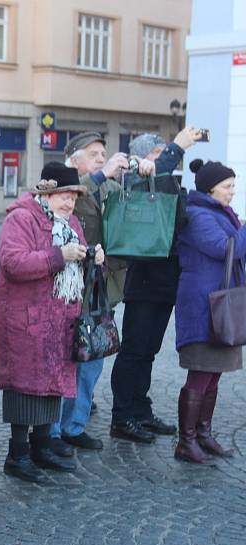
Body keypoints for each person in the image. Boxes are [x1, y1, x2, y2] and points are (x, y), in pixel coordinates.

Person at [0, 162, 105, 483]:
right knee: (24, 388)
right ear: (46, 193)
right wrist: (60, 255)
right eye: (63, 195)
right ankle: (17, 455)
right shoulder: (21, 217)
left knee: (51, 384)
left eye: (73, 196)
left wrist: (94, 257)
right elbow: (12, 263)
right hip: (25, 319)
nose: (69, 202)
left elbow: (78, 260)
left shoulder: (69, 223)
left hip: (60, 319)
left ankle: (41, 446)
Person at [54, 132, 153, 453]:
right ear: (74, 159)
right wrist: (102, 172)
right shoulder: (65, 183)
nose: (101, 158)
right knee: (62, 363)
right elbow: (77, 191)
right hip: (65, 289)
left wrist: (142, 171)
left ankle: (75, 426)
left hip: (100, 289)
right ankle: (51, 432)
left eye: (103, 153)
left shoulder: (111, 187)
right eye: (93, 153)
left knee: (91, 359)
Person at [109, 128, 204, 445]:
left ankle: (141, 410)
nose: (164, 159)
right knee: (134, 351)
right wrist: (177, 146)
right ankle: (123, 416)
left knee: (148, 351)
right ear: (143, 156)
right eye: (158, 153)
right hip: (145, 279)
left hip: (165, 279)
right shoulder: (135, 176)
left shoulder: (164, 177)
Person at [173, 159, 244, 464]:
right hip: (203, 304)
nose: (232, 192)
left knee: (213, 374)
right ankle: (186, 442)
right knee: (200, 373)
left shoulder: (218, 212)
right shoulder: (197, 214)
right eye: (228, 186)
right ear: (211, 188)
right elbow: (227, 248)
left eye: (233, 186)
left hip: (218, 302)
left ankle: (203, 434)